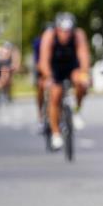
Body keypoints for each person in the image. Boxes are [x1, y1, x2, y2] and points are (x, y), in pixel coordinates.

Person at [39, 13, 91, 150]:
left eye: (68, 31)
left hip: (72, 66)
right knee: (55, 94)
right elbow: (44, 60)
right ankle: (56, 134)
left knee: (81, 82)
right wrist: (48, 77)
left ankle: (76, 111)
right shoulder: (49, 36)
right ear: (57, 29)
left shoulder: (78, 35)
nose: (65, 34)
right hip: (54, 68)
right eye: (62, 31)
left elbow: (84, 56)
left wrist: (85, 74)